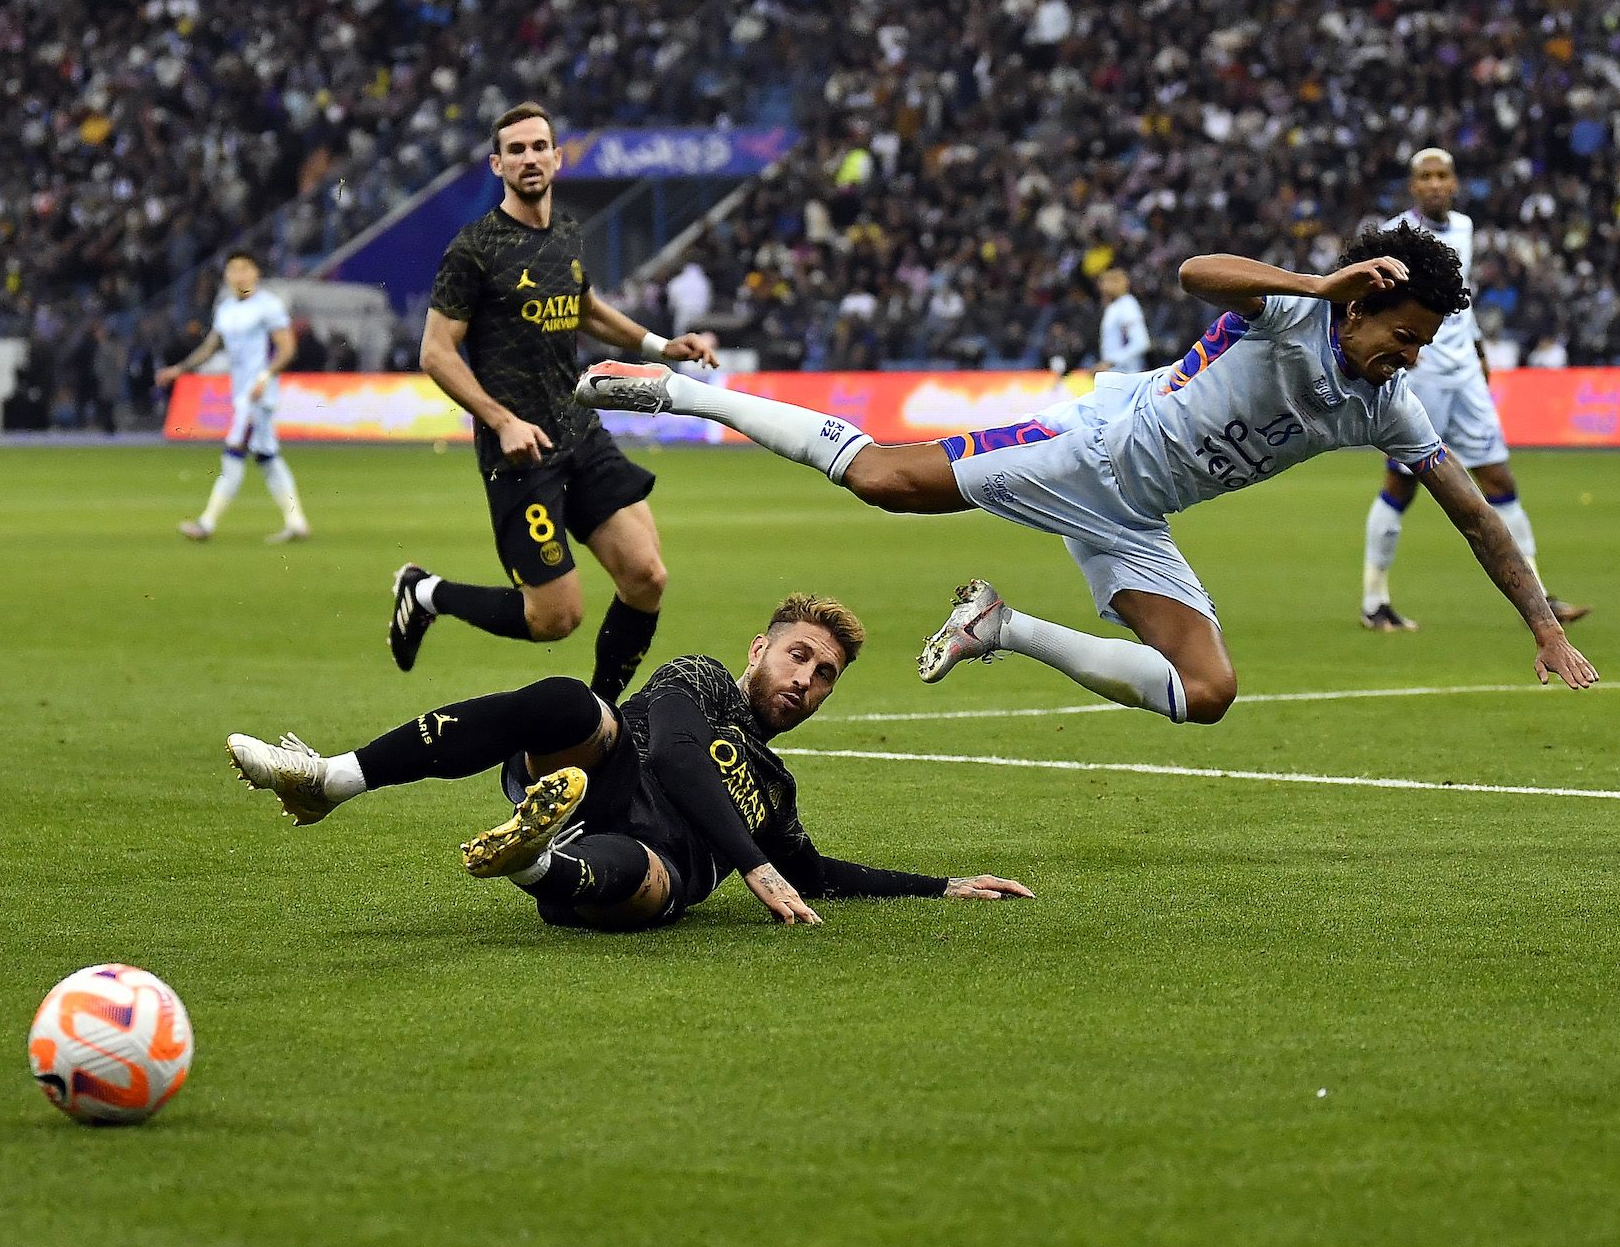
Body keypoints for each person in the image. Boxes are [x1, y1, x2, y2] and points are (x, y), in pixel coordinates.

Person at [577, 224, 1600, 726]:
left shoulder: (1388, 405)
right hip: (1091, 452)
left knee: (1207, 692)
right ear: (1357, 306)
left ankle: (1002, 626)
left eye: (1424, 344)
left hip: (1138, 514)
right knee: (881, 479)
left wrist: (1543, 629)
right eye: (1402, 335)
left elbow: (1471, 514)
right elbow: (1195, 274)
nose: (1409, 356)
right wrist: (1310, 280)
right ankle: (683, 393)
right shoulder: (1292, 312)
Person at [229, 593, 1032, 931]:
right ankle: (329, 780)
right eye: (798, 657)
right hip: (601, 774)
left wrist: (943, 884)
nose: (805, 681)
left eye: (824, 677)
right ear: (760, 650)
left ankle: (533, 860)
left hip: (645, 862)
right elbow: (678, 752)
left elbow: (815, 873)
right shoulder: (703, 680)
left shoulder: (775, 790)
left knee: (654, 880)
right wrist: (751, 864)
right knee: (570, 702)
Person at [388, 101, 719, 705]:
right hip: (521, 451)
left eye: (539, 146)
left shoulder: (566, 232)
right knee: (554, 618)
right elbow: (435, 352)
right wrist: (502, 420)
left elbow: (586, 306)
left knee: (646, 577)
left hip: (579, 432)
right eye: (515, 150)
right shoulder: (475, 250)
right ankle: (426, 593)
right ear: (497, 165)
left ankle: (599, 720)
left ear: (557, 157)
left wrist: (659, 344)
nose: (529, 158)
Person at [1361, 149, 1589, 631]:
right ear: (1412, 187)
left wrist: (1479, 348)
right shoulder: (1397, 237)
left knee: (1500, 481)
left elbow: (1459, 302)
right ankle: (1374, 599)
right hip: (1421, 380)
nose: (1436, 184)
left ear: (1456, 182)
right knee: (1401, 487)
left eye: (1443, 175)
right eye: (1426, 177)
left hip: (1466, 378)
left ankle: (1539, 595)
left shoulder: (1464, 228)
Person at [154, 252, 308, 544]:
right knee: (267, 457)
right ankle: (296, 522)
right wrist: (180, 369)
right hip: (242, 394)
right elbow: (212, 346)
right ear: (226, 275)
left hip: (257, 396)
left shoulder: (268, 307)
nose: (239, 275)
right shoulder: (226, 309)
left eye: (244, 269)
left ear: (256, 273)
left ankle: (206, 523)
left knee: (233, 454)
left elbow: (287, 349)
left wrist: (264, 377)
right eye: (233, 270)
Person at [1097, 267, 1150, 371]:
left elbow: (1141, 342)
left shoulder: (1127, 305)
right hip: (1115, 374)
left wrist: (1112, 361)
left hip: (1128, 374)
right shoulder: (1113, 307)